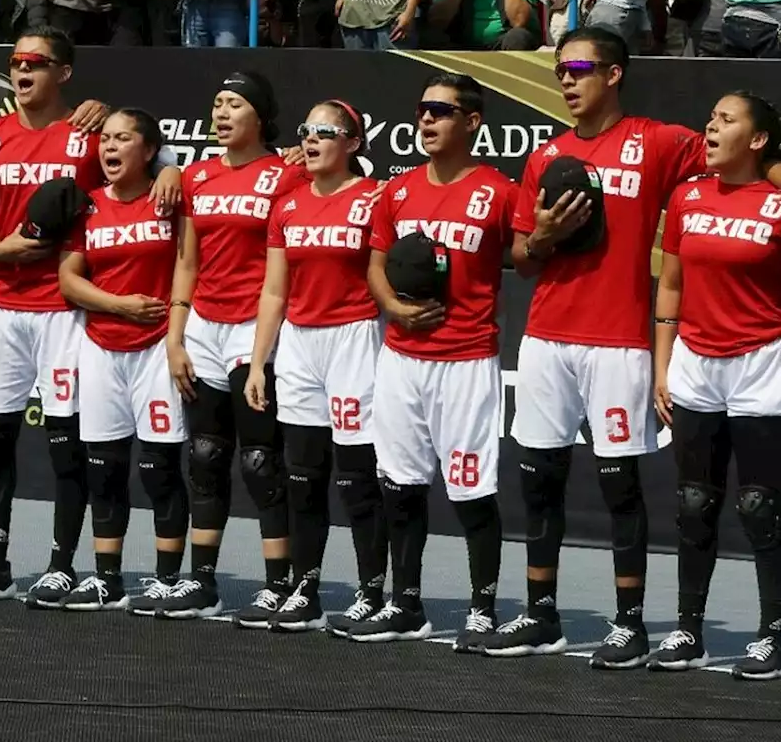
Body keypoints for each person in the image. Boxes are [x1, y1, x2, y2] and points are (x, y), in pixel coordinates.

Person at [496, 26, 781, 669]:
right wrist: (547, 235)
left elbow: (750, 151)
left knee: (623, 489)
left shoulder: (659, 143)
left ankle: (629, 624)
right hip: (546, 338)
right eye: (559, 68)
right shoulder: (545, 156)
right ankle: (541, 613)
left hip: (619, 343)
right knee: (537, 484)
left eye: (579, 66)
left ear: (613, 73)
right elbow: (522, 258)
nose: (565, 77)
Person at [0, 27, 179, 606]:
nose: (23, 71)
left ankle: (62, 565)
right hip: (2, 304)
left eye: (37, 62)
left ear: (64, 73)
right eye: (16, 61)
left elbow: (147, 161)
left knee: (66, 442)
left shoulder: (88, 132)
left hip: (64, 310)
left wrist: (171, 165)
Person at [353, 73, 516, 651]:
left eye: (441, 111)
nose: (426, 120)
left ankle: (480, 608)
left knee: (472, 493)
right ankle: (406, 604)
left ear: (472, 122)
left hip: (466, 359)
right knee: (399, 488)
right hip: (401, 359)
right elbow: (374, 263)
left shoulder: (499, 191)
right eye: (422, 109)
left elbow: (527, 252)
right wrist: (394, 307)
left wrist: (547, 233)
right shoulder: (396, 191)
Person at [649, 92, 781, 679]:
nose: (710, 126)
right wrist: (662, 365)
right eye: (709, 117)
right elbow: (671, 287)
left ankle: (772, 636)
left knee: (760, 505)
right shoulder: (685, 196)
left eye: (725, 121)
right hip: (693, 364)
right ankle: (689, 629)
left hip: (761, 361)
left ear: (758, 141)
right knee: (693, 503)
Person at [159, 71, 304, 623]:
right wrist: (175, 338)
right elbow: (186, 262)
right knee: (205, 454)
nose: (221, 113)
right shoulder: (195, 176)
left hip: (255, 327)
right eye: (217, 103)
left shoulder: (285, 174)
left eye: (234, 104)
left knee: (261, 460)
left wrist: (263, 353)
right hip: (202, 325)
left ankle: (277, 583)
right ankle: (202, 581)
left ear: (260, 116)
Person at [243, 100, 387, 635]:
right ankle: (306, 588)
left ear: (352, 142)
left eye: (326, 131)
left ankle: (373, 591)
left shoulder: (375, 199)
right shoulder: (289, 205)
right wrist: (260, 362)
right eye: (306, 130)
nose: (311, 139)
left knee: (356, 479)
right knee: (302, 477)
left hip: (355, 338)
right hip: (300, 345)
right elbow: (274, 290)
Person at [56, 109, 191, 611]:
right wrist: (117, 305)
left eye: (123, 139)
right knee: (104, 470)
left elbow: (189, 263)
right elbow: (70, 278)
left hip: (158, 349)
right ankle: (106, 578)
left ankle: (166, 579)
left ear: (150, 150)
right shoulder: (87, 207)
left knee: (159, 470)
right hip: (101, 349)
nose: (109, 148)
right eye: (105, 140)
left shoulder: (171, 201)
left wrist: (173, 171)